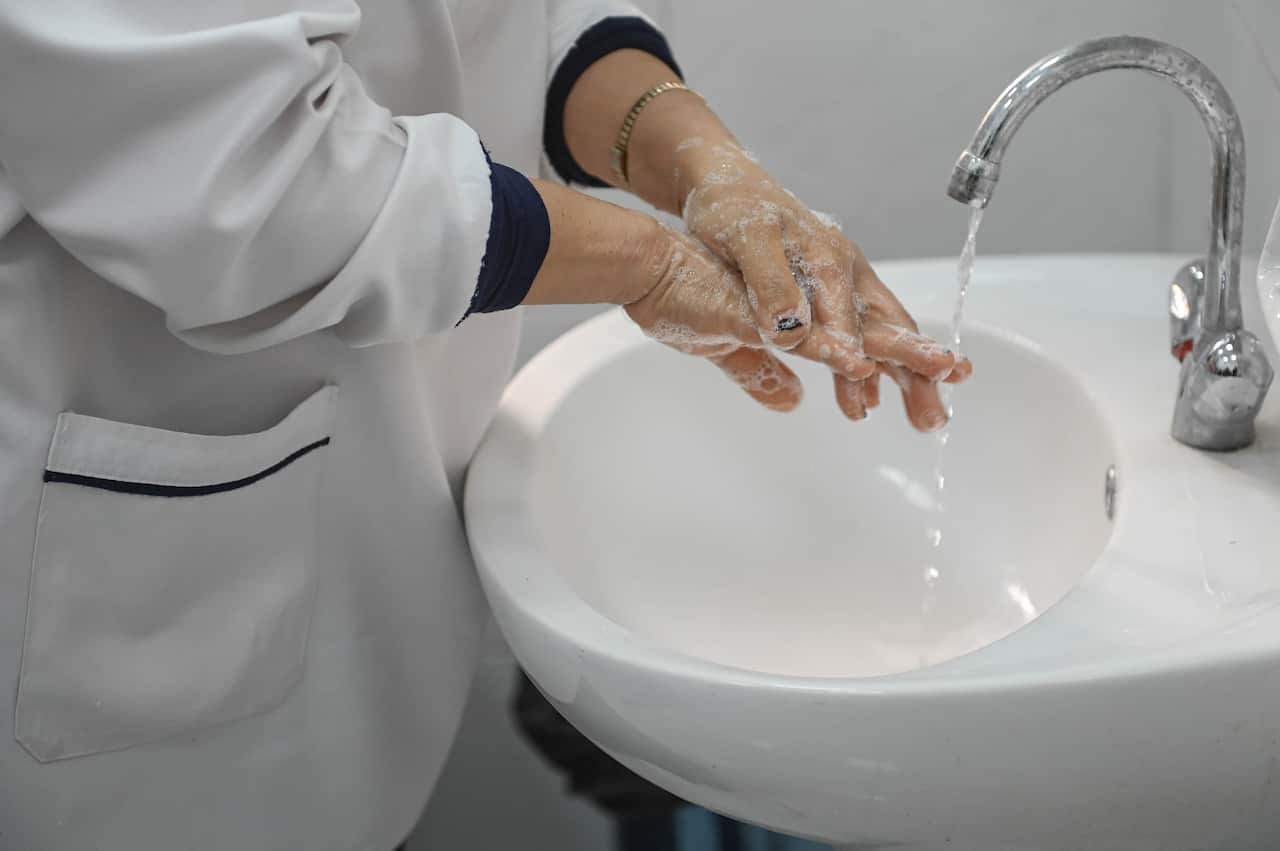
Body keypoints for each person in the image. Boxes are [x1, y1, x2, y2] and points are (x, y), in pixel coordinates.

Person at [0, 2, 970, 849]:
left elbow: (515, 20)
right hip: (108, 512)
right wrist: (646, 262)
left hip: (355, 515)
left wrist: (702, 162)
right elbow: (239, 168)